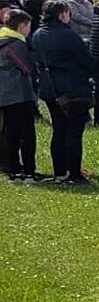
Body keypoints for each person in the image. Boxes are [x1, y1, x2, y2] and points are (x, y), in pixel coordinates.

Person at [31, 1, 95, 183]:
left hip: (50, 88)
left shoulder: (37, 34)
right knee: (74, 131)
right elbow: (86, 60)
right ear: (62, 14)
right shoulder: (68, 35)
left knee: (59, 130)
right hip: (72, 87)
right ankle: (74, 173)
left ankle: (60, 171)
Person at [0, 10, 39, 182]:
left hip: (4, 94)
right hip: (19, 94)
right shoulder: (15, 44)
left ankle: (13, 169)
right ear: (22, 26)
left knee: (10, 132)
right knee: (27, 133)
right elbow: (27, 67)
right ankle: (28, 171)